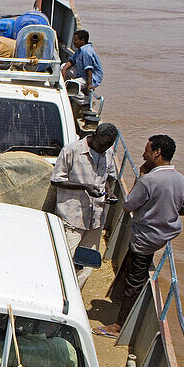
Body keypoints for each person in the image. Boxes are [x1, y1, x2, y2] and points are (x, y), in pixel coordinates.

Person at [98, 135, 184, 338]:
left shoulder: (149, 180)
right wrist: (165, 210)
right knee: (134, 271)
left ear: (157, 153)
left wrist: (140, 176)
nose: (143, 154)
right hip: (164, 237)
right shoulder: (182, 181)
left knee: (134, 282)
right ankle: (117, 298)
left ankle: (118, 327)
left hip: (144, 239)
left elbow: (127, 205)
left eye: (147, 150)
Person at [50, 123, 118, 288]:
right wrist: (84, 187)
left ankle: (75, 297)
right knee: (64, 262)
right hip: (72, 218)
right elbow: (56, 179)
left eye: (108, 146)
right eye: (102, 145)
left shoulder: (108, 153)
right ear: (94, 135)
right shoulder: (71, 150)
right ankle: (58, 293)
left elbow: (108, 177)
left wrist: (109, 193)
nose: (104, 149)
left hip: (95, 220)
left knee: (87, 265)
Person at [60, 29, 103, 100]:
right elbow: (72, 60)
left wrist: (89, 84)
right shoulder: (80, 50)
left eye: (76, 40)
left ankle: (85, 101)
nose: (74, 43)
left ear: (82, 40)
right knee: (63, 66)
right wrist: (64, 69)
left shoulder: (86, 52)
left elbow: (89, 69)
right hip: (82, 72)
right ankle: (70, 83)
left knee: (69, 87)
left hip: (91, 77)